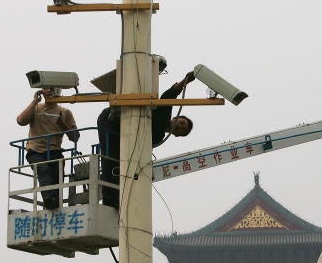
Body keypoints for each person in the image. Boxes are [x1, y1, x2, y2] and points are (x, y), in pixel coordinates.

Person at [97, 72, 195, 208]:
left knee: (122, 160)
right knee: (111, 157)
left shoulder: (159, 137)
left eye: (181, 130)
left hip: (125, 133)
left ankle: (119, 196)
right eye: (181, 123)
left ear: (176, 135)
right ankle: (110, 198)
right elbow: (171, 94)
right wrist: (185, 81)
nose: (179, 126)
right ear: (176, 118)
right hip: (111, 121)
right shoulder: (164, 112)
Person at [17, 87, 79, 210]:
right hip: (35, 151)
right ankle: (50, 202)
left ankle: (53, 206)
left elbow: (75, 137)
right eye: (46, 88)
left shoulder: (65, 112)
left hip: (55, 152)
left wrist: (62, 124)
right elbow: (20, 120)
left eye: (52, 88)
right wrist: (34, 101)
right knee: (43, 170)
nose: (49, 91)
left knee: (57, 182)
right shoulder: (35, 108)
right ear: (42, 91)